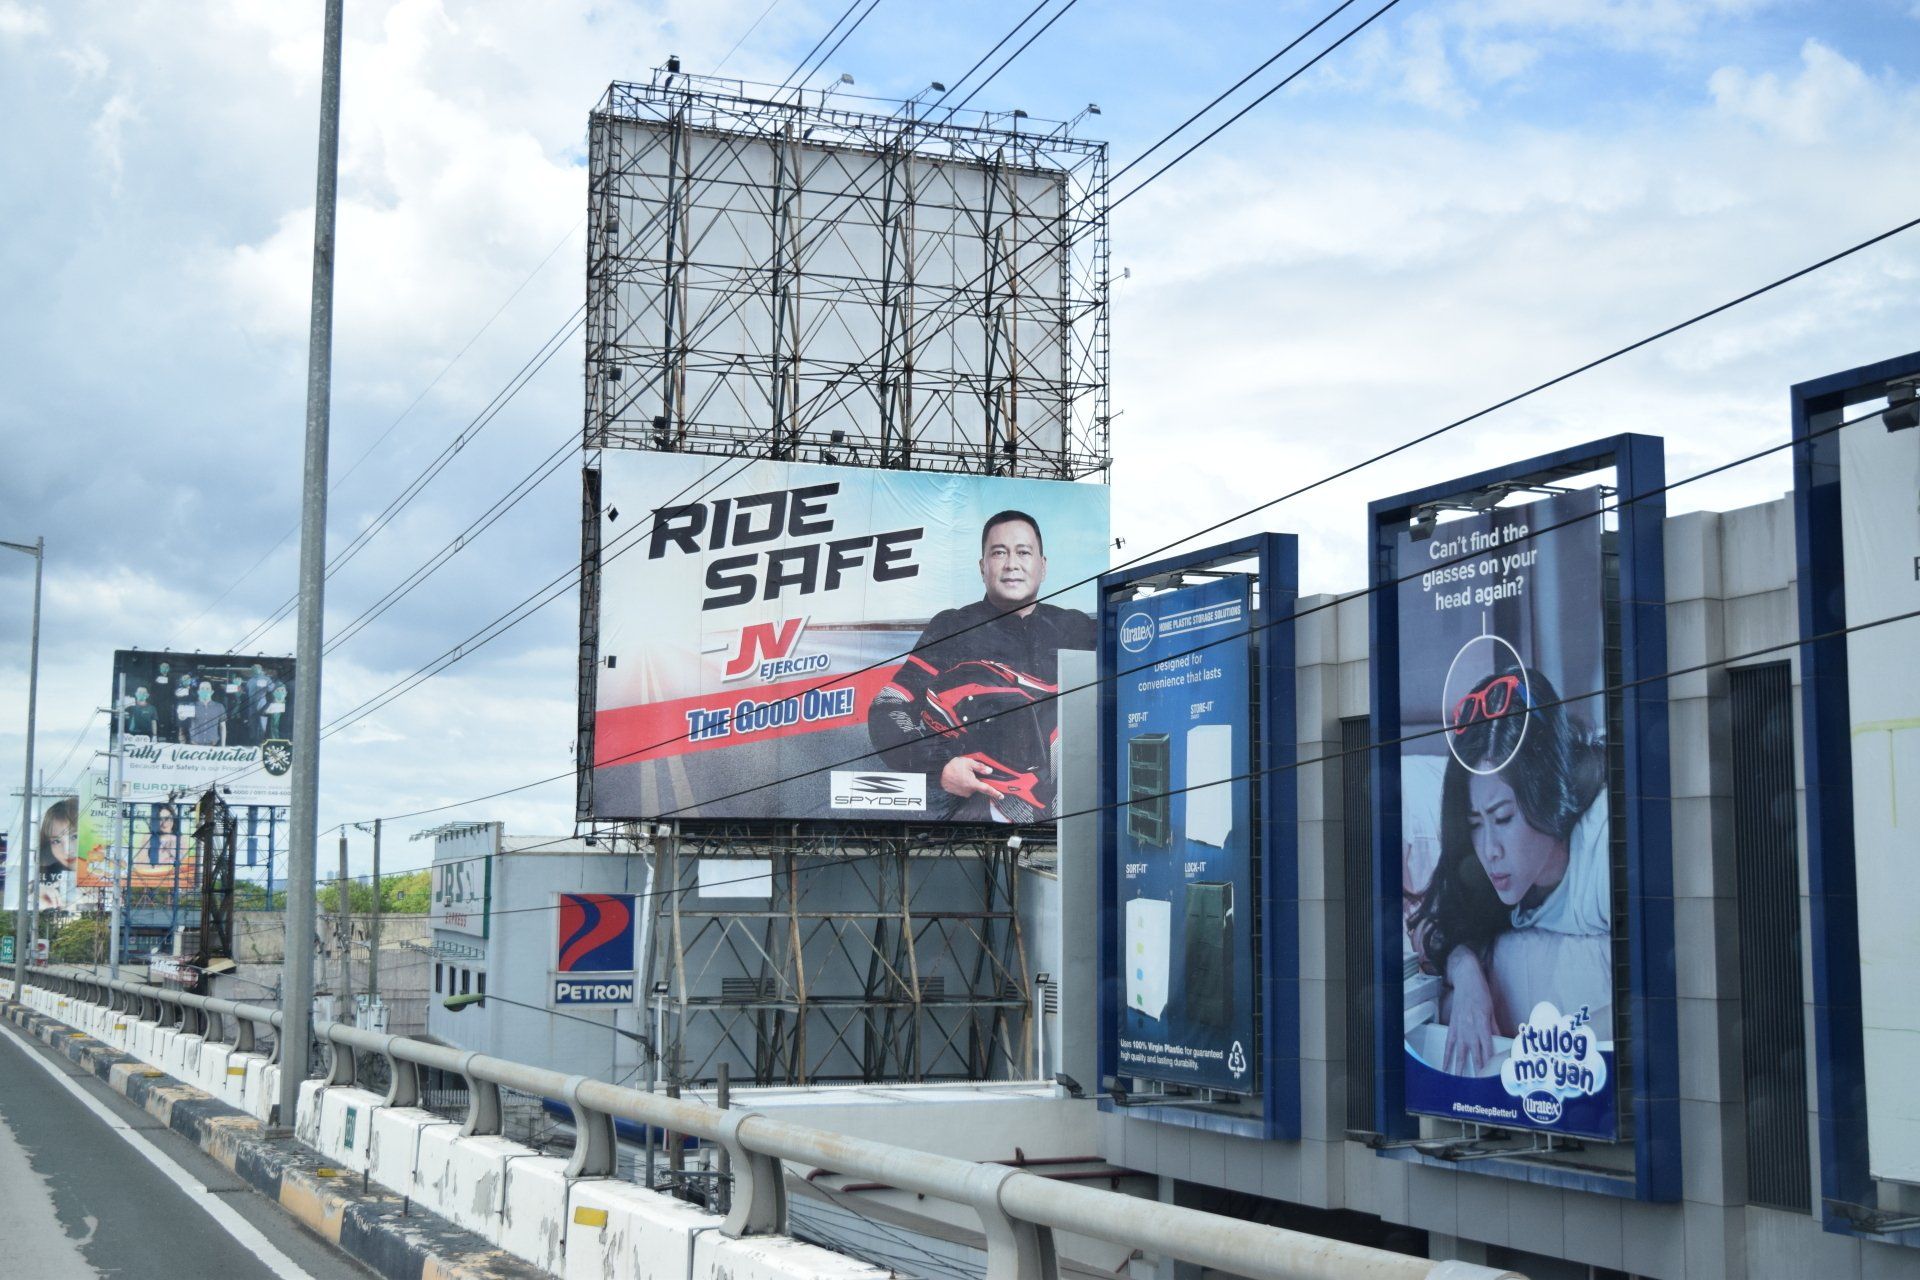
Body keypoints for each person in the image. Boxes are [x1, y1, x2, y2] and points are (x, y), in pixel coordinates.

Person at [1407, 665, 1610, 1076]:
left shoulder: (1604, 848)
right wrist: (1467, 981)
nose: (1490, 850)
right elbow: (1432, 926)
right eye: (1476, 822)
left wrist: (1528, 1059)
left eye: (1502, 817)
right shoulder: (1484, 864)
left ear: (1545, 796)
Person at [867, 509, 1094, 822]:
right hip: (978, 822)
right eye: (999, 553)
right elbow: (888, 706)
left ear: (1042, 566)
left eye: (1023, 552)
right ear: (982, 567)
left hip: (1076, 823)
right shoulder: (953, 627)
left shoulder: (1079, 629)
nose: (1012, 563)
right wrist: (941, 764)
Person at [187, 681, 228, 746]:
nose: (205, 690)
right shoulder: (191, 706)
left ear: (212, 692)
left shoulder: (219, 707)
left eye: (207, 688)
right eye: (202, 688)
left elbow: (223, 727)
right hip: (194, 746)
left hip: (213, 746)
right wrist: (181, 716)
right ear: (198, 691)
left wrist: (223, 746)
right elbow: (182, 719)